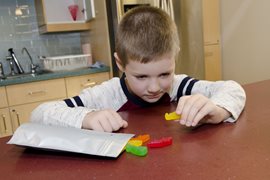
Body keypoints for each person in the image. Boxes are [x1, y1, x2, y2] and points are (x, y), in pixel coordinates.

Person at [30, 6, 246, 132]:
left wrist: (218, 111)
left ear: (175, 58)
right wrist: (87, 118)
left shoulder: (178, 86)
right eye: (141, 76)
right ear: (120, 64)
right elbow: (39, 114)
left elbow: (233, 89)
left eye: (164, 74)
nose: (154, 87)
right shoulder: (106, 95)